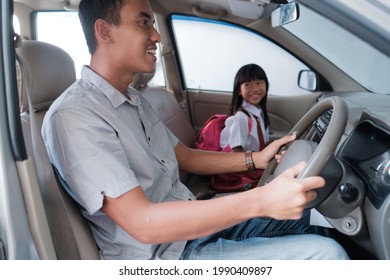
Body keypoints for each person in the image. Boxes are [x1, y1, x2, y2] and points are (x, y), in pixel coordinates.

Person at [41, 0, 349, 260]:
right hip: (166, 255)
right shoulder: (76, 116)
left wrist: (255, 159)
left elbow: (184, 157)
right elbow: (143, 224)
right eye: (144, 23)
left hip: (192, 223)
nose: (157, 35)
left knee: (321, 220)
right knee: (326, 254)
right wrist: (261, 199)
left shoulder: (133, 99)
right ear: (104, 31)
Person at [221, 63, 270, 153]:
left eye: (259, 83)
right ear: (239, 90)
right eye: (248, 85)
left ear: (266, 85)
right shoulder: (241, 118)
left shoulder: (259, 113)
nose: (255, 89)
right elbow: (236, 152)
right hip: (245, 164)